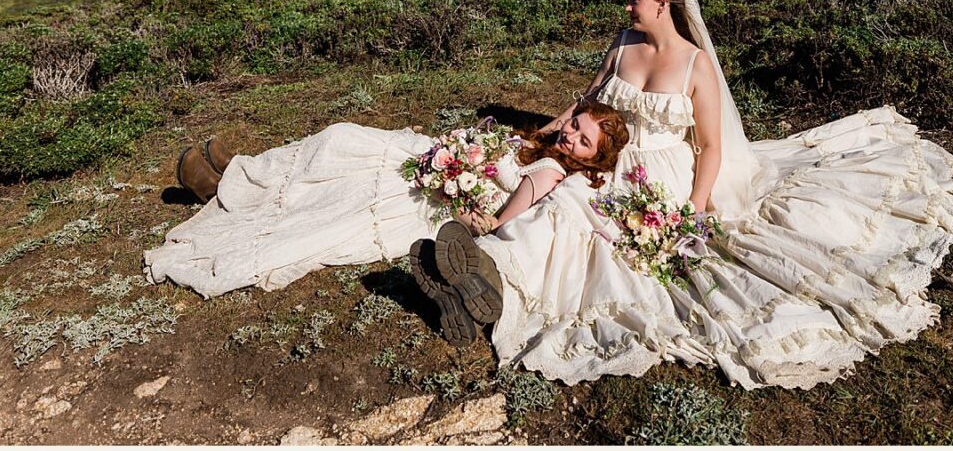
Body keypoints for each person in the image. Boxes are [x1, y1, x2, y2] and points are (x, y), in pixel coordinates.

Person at [439, 0, 953, 390]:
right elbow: (586, 101)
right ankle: (487, 271)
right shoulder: (623, 43)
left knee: (580, 216)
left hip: (665, 170)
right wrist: (540, 136)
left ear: (663, 4)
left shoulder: (696, 64)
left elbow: (713, 145)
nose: (627, 7)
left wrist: (694, 206)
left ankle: (490, 276)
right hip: (616, 158)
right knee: (563, 200)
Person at [141, 104, 629, 314]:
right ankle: (242, 173)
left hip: (437, 196)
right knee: (341, 139)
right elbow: (520, 141)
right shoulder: (547, 143)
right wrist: (456, 150)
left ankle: (228, 184)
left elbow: (498, 220)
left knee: (338, 191)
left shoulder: (551, 172)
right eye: (576, 125)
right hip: (433, 164)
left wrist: (458, 190)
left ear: (592, 158)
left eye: (583, 141)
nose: (571, 135)